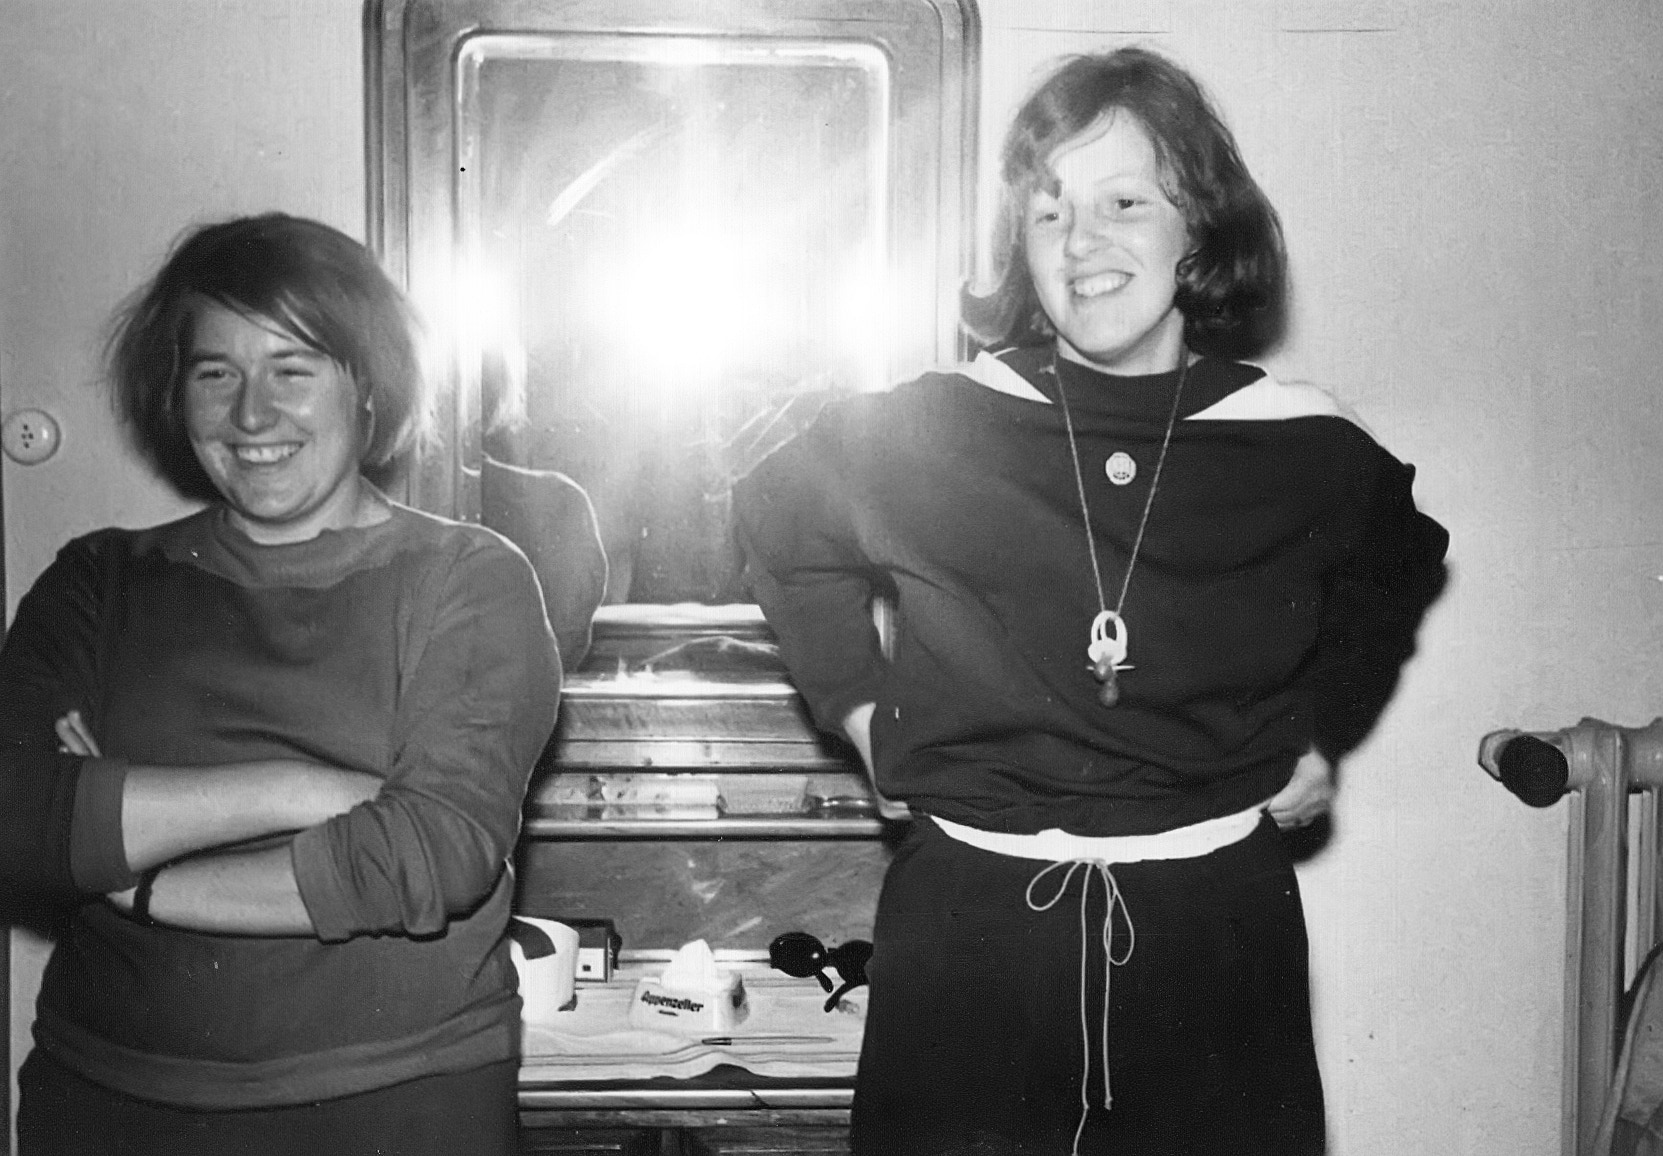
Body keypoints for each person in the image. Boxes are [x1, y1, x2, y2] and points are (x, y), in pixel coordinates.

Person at [734, 48, 1449, 1156]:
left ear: (1197, 227)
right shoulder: (930, 429)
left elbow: (1396, 562)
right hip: (968, 934)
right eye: (1048, 212)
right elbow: (778, 527)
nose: (1079, 243)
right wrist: (860, 710)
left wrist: (1323, 724)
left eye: (1124, 203)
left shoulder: (1300, 441)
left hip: (1214, 933)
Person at [0, 213, 561, 1155]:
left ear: (368, 384)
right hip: (109, 1099)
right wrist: (302, 789)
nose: (252, 417)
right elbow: (17, 820)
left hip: (395, 1099)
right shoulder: (98, 580)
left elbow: (429, 854)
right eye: (215, 373)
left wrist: (128, 871)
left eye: (293, 370)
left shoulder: (468, 579)